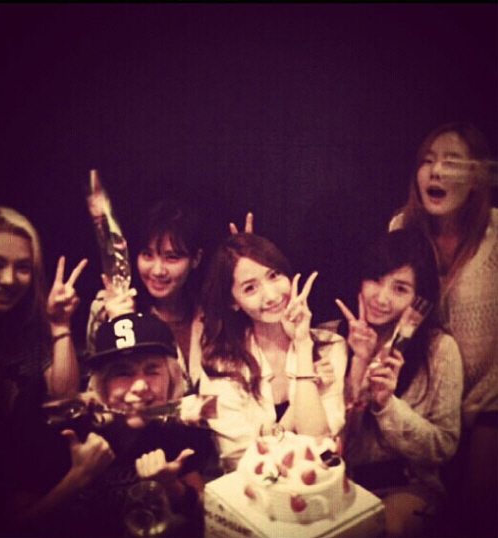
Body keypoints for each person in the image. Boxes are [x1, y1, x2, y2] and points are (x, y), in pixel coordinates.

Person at [15, 312, 213, 538]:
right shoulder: (65, 430)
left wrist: (171, 485)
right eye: (123, 372)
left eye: (152, 370)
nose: (140, 386)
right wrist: (78, 477)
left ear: (171, 377)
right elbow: (16, 526)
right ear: (102, 382)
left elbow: (204, 513)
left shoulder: (174, 427)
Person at [389, 122, 497, 536]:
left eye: (451, 162)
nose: (435, 171)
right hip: (426, 394)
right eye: (427, 161)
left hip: (487, 401)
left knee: (476, 510)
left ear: (475, 178)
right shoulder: (402, 227)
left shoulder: (495, 234)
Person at [0, 205, 88, 537]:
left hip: (25, 481)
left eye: (22, 268)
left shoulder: (29, 323)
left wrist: (60, 324)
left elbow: (64, 398)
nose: (9, 279)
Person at [336, 228, 463, 538]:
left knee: (385, 526)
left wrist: (387, 405)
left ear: (419, 298)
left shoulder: (439, 351)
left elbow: (443, 447)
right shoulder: (334, 339)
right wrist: (357, 367)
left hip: (408, 485)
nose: (381, 298)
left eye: (400, 288)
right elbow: (335, 442)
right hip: (343, 482)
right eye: (375, 279)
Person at [199, 232, 347, 472]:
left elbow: (320, 444)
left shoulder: (331, 347)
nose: (271, 296)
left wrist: (303, 345)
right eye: (250, 288)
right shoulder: (220, 366)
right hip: (250, 490)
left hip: (316, 484)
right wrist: (305, 394)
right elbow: (241, 460)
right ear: (233, 302)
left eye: (274, 275)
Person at [86, 200, 205, 391]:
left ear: (196, 259)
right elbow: (98, 392)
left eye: (172, 257)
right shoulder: (107, 308)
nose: (158, 270)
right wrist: (120, 324)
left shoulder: (211, 311)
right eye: (148, 255)